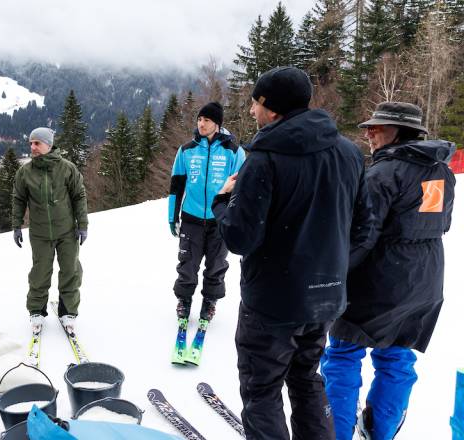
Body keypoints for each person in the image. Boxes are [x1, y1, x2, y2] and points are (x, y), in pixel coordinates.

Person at [211, 66, 370, 440]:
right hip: (325, 298)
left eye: (255, 103)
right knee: (306, 378)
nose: (251, 110)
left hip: (272, 304)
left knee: (262, 390)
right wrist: (328, 267)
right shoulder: (349, 152)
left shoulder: (264, 159)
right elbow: (364, 228)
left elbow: (239, 238)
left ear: (272, 108)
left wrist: (222, 200)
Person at [321, 102, 456, 440]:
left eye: (377, 127)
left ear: (400, 132)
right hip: (425, 279)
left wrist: (332, 274)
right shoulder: (442, 171)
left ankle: (335, 433)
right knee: (397, 356)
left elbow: (363, 234)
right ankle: (380, 432)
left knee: (343, 352)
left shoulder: (384, 173)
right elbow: (442, 223)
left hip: (382, 277)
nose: (369, 133)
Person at [168, 102, 245, 322]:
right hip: (191, 217)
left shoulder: (234, 152)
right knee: (187, 264)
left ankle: (210, 301)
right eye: (199, 119)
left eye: (207, 120)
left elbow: (240, 189)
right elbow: (176, 186)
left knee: (216, 265)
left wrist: (234, 218)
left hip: (219, 219)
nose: (201, 124)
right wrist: (172, 216)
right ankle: (184, 300)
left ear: (217, 124)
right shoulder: (186, 150)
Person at [12, 127, 88, 334]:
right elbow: (18, 199)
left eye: (37, 143)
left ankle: (68, 312)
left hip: (67, 231)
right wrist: (16, 225)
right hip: (40, 233)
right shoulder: (25, 172)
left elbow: (79, 196)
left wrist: (82, 224)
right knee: (40, 273)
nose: (33, 147)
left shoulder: (67, 168)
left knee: (71, 271)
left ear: (48, 144)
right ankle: (36, 311)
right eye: (31, 143)